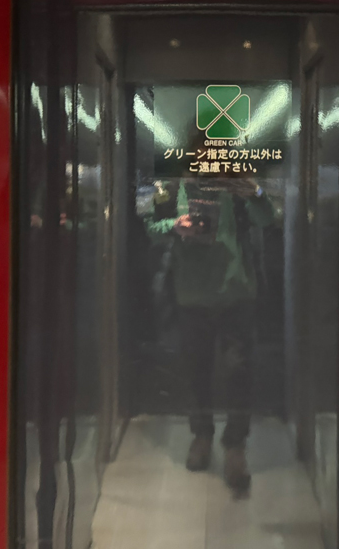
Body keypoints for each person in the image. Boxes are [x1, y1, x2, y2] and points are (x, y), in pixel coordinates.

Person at [145, 173, 274, 492]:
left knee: (238, 372)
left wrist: (254, 190)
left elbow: (266, 217)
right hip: (192, 296)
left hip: (235, 294)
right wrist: (174, 226)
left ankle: (235, 446)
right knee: (196, 371)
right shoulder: (172, 188)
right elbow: (150, 227)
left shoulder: (236, 187)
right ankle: (202, 436)